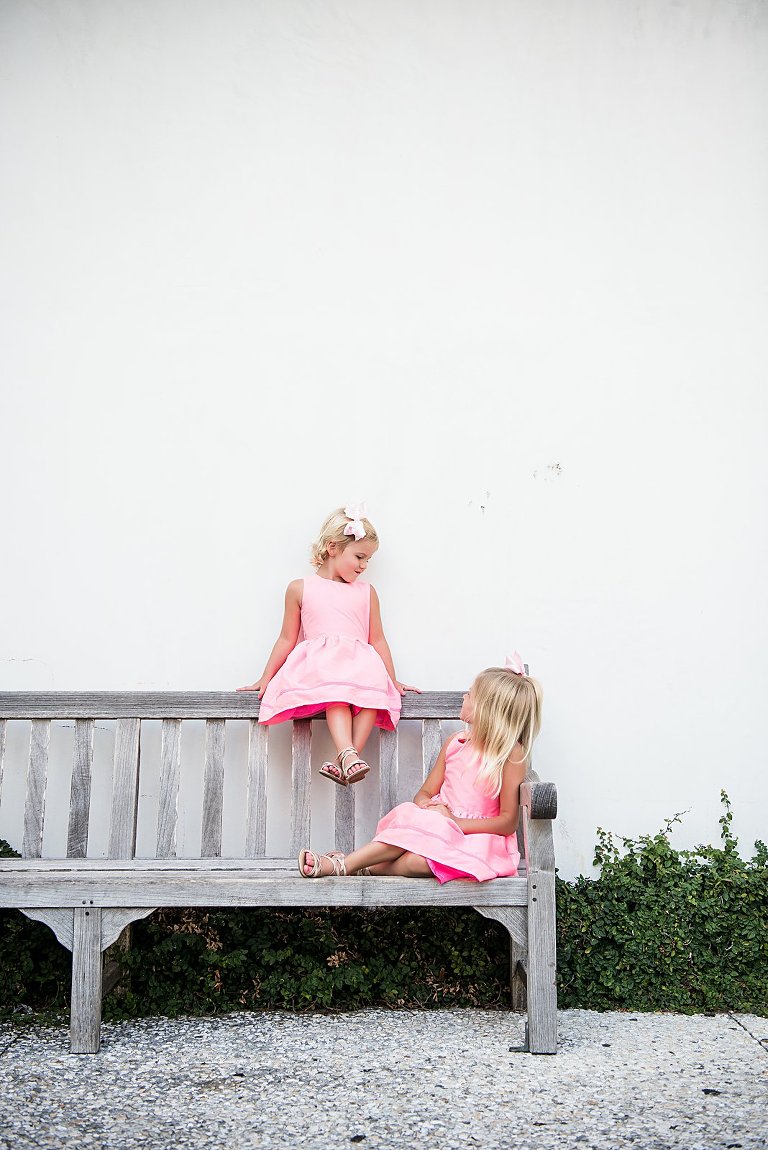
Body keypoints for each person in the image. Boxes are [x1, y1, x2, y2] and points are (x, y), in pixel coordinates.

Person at [298, 658, 541, 881]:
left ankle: (364, 866)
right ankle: (340, 866)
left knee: (417, 862)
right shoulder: (456, 744)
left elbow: (508, 822)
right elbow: (423, 794)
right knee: (415, 822)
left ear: (488, 710)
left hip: (477, 840)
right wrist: (429, 807)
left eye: (470, 694)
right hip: (438, 828)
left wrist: (454, 821)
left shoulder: (511, 754)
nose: (464, 697)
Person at [237, 504, 418, 785]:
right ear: (333, 548)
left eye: (368, 560)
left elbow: (377, 638)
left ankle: (345, 759)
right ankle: (348, 753)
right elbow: (287, 638)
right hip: (325, 667)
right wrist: (265, 677)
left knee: (372, 693)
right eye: (359, 556)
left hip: (362, 665)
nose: (363, 566)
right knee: (337, 691)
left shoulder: (367, 592)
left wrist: (391, 680)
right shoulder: (300, 588)